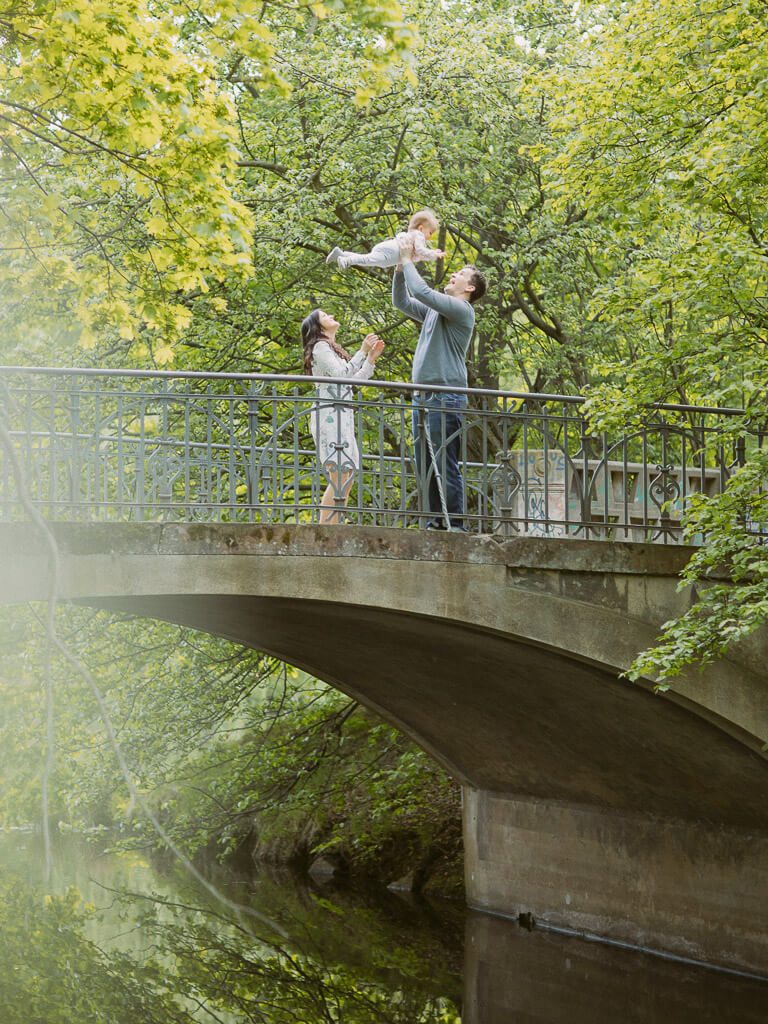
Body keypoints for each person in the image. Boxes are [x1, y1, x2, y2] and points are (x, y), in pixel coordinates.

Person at [391, 238, 487, 531]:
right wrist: (399, 270)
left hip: (445, 397)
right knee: (425, 465)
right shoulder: (436, 311)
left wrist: (407, 259)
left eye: (461, 274)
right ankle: (436, 521)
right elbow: (402, 302)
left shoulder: (461, 309)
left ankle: (454, 523)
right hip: (423, 397)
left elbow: (420, 291)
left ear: (469, 289)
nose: (454, 274)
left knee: (444, 462)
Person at [301, 309, 385, 524]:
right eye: (325, 316)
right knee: (339, 475)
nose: (330, 316)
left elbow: (353, 382)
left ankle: (334, 527)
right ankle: (325, 529)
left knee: (347, 477)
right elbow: (341, 376)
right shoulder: (320, 347)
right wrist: (362, 351)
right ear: (318, 327)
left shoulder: (332, 350)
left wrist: (370, 359)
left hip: (342, 416)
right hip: (330, 416)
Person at [326, 209, 445, 272]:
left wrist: (432, 255)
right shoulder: (418, 235)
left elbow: (420, 255)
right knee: (368, 260)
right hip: (391, 251)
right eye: (430, 233)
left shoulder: (412, 235)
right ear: (421, 228)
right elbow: (421, 250)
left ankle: (340, 254)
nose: (430, 237)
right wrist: (433, 254)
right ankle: (346, 261)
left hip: (389, 249)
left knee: (366, 259)